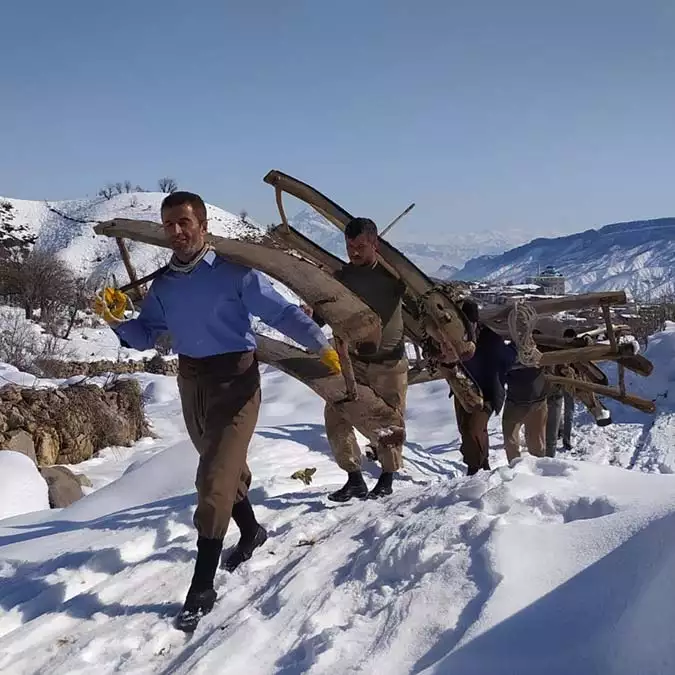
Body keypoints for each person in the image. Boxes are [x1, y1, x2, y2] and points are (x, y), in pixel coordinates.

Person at [93, 191, 341, 630]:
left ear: (203, 225)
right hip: (191, 383)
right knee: (223, 469)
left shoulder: (234, 275)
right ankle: (251, 532)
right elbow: (148, 334)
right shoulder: (165, 285)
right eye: (169, 224)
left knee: (212, 477)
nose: (176, 232)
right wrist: (117, 321)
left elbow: (281, 312)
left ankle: (201, 584)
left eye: (185, 223)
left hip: (237, 382)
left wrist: (320, 345)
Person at [307, 217, 408, 502]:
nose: (354, 252)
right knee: (336, 414)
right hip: (354, 362)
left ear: (375, 244)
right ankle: (354, 477)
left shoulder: (394, 277)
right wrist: (311, 316)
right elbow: (326, 309)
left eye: (360, 246)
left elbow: (424, 298)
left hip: (389, 363)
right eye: (349, 246)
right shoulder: (343, 276)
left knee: (388, 420)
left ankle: (387, 477)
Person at [443, 299, 516, 475]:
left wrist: (515, 348)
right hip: (462, 388)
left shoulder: (490, 338)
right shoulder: (453, 338)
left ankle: (477, 467)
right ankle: (479, 462)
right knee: (465, 429)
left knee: (474, 428)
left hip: (488, 392)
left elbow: (506, 358)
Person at [502, 351, 549, 463]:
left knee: (536, 443)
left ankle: (539, 471)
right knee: (510, 440)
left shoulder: (541, 347)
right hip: (515, 402)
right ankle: (515, 468)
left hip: (537, 402)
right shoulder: (508, 349)